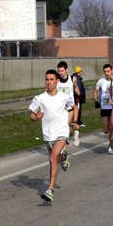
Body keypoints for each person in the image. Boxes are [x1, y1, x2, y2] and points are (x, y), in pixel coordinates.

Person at [29, 69, 79, 202]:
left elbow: (74, 107)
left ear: (57, 81)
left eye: (52, 79)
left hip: (62, 132)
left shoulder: (64, 97)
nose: (49, 82)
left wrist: (74, 121)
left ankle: (50, 190)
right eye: (47, 79)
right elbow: (31, 115)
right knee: (55, 159)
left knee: (51, 159)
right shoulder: (40, 98)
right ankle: (64, 156)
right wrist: (36, 117)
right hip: (48, 134)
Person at [57, 61, 81, 146]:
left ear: (66, 70)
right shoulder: (57, 80)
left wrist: (79, 95)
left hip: (69, 107)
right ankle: (74, 134)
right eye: (59, 71)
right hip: (59, 108)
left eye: (62, 71)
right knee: (64, 126)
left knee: (63, 126)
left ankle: (64, 141)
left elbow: (75, 87)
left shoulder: (72, 79)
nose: (60, 73)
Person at [94, 64, 113, 154]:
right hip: (104, 107)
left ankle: (110, 146)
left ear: (112, 71)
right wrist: (96, 101)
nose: (107, 73)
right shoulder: (101, 81)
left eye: (108, 71)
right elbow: (95, 92)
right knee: (106, 130)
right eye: (105, 71)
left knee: (111, 127)